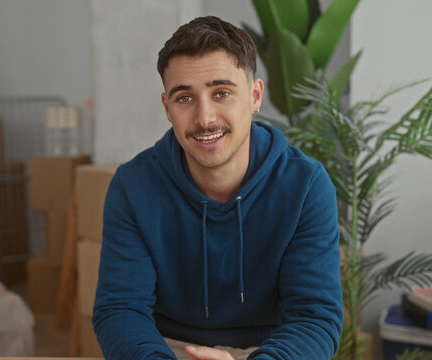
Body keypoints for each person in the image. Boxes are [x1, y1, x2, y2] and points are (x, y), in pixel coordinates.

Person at [92, 16, 343, 360]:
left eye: (221, 93)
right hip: (163, 349)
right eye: (184, 98)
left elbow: (314, 318)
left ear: (255, 96)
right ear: (167, 108)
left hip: (272, 351)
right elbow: (120, 309)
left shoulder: (306, 186)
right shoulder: (133, 186)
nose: (205, 117)